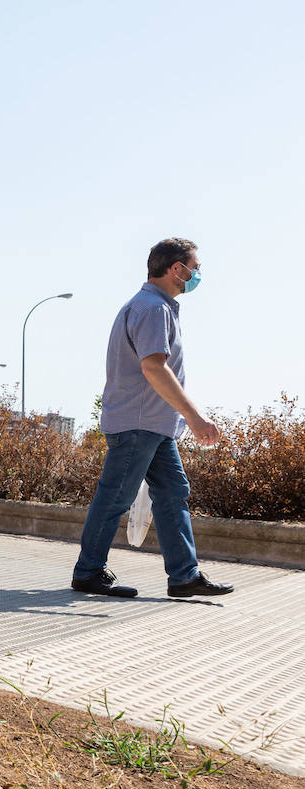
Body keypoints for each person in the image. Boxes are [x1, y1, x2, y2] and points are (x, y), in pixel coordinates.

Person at [71, 238, 233, 600]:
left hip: (154, 426)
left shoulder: (153, 306)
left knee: (174, 493)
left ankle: (184, 576)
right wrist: (194, 418)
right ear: (177, 269)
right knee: (115, 498)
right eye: (196, 267)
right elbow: (153, 367)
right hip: (139, 424)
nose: (197, 274)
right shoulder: (152, 308)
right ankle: (87, 572)